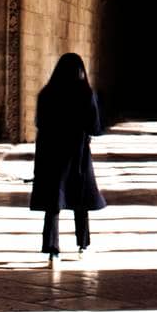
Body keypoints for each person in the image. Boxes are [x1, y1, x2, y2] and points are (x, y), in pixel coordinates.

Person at [29, 52, 106, 267]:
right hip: (77, 155)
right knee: (80, 201)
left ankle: (52, 249)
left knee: (53, 203)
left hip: (52, 155)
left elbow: (40, 123)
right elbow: (94, 126)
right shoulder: (84, 93)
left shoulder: (47, 93)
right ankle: (83, 244)